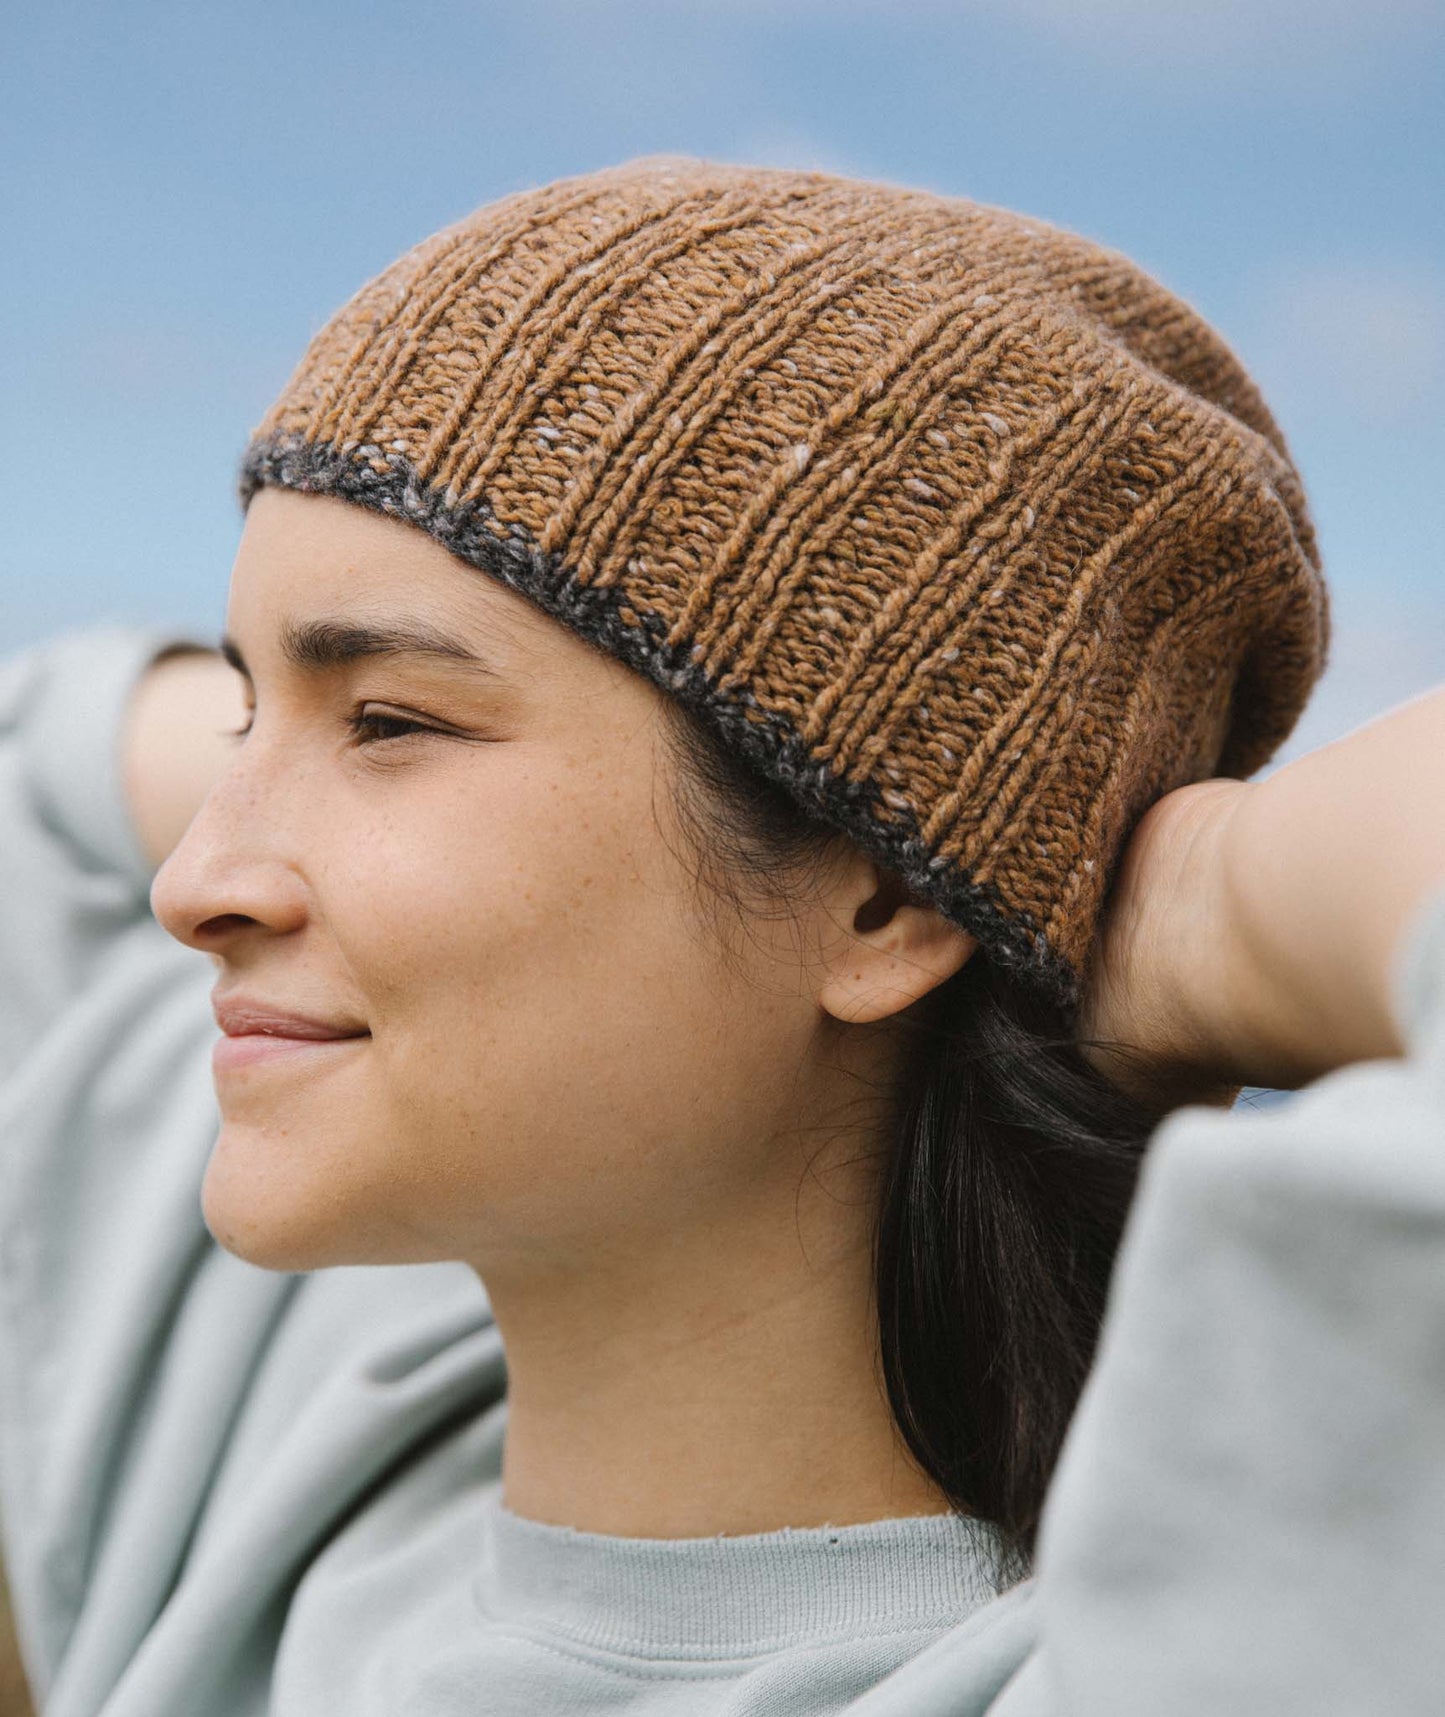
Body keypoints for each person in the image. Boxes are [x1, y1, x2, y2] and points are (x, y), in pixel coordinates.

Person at [0, 155, 1442, 1717]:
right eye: (240, 714)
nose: (195, 879)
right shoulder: (290, 1429)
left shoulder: (1218, 1641)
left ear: (881, 895)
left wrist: (1178, 912)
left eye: (391, 719)